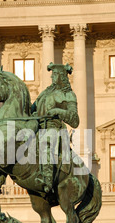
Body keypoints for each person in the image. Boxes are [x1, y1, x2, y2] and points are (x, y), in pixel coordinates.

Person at [31, 63, 80, 193]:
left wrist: (58, 111)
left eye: (55, 75)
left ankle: (47, 181)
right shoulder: (45, 93)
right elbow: (32, 109)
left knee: (46, 142)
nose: (52, 77)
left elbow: (75, 120)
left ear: (62, 77)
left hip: (55, 129)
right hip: (38, 127)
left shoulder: (69, 95)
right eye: (52, 75)